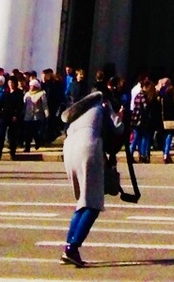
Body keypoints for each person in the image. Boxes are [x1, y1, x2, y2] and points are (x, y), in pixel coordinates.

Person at [60, 86, 125, 268]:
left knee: (83, 201)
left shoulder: (79, 108)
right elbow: (118, 128)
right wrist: (120, 115)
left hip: (69, 149)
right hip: (88, 147)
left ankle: (69, 245)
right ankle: (72, 248)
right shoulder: (103, 103)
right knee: (93, 203)